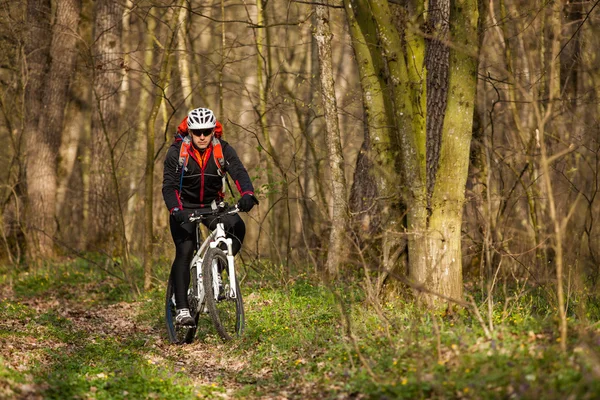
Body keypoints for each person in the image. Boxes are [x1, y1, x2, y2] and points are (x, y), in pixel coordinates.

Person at [162, 107, 257, 326]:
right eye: (197, 132)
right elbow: (169, 186)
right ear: (190, 132)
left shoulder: (222, 149)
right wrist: (176, 210)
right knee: (185, 251)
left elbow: (239, 173)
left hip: (213, 206)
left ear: (214, 130)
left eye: (207, 131)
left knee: (237, 228)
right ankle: (183, 308)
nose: (202, 136)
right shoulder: (178, 152)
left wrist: (248, 194)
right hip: (184, 207)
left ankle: (214, 267)